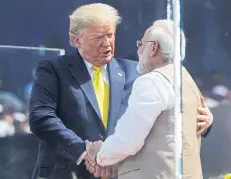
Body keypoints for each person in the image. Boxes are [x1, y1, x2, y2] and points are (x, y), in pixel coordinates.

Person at [29, 4, 213, 179]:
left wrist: (206, 120)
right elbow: (41, 117)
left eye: (110, 35)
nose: (107, 43)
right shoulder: (53, 69)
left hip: (121, 173)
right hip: (67, 172)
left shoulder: (137, 72)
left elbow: (171, 106)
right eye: (98, 38)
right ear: (76, 40)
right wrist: (83, 152)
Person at [85, 19, 213, 179]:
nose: (138, 51)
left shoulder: (152, 81)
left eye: (141, 44)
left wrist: (99, 155)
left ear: (153, 48)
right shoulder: (187, 80)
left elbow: (128, 141)